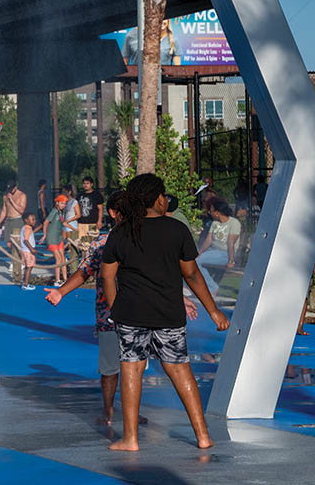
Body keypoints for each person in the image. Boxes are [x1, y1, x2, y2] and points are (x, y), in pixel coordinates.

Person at [100, 173, 229, 452]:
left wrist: (115, 308)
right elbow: (192, 275)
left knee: (131, 369)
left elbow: (108, 276)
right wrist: (214, 310)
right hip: (168, 314)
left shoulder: (121, 232)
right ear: (159, 199)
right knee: (181, 370)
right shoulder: (175, 230)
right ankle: (203, 436)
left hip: (131, 314)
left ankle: (131, 439)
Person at [47, 190, 199, 425]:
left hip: (139, 315)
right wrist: (61, 291)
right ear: (114, 213)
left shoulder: (140, 238)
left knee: (135, 367)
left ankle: (130, 413)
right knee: (111, 368)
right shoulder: (103, 242)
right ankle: (108, 410)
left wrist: (180, 297)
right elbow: (84, 271)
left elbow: (155, 275)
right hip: (112, 316)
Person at [196, 200, 242, 292]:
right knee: (188, 256)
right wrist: (199, 252)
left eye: (211, 211)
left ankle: (212, 288)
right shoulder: (214, 223)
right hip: (212, 251)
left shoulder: (234, 223)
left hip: (225, 254)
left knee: (196, 261)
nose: (210, 213)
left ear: (217, 213)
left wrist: (231, 261)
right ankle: (188, 286)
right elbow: (208, 240)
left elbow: (230, 243)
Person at [43, 194, 69, 287]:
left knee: (63, 258)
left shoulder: (61, 212)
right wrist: (45, 235)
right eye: (62, 203)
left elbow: (62, 223)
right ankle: (57, 280)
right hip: (52, 238)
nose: (63, 205)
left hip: (59, 238)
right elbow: (46, 222)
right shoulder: (54, 211)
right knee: (58, 258)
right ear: (57, 203)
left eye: (65, 203)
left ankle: (65, 279)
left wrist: (73, 229)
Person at [19, 213, 38, 291]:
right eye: (32, 219)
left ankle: (25, 282)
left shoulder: (26, 228)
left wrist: (41, 226)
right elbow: (26, 240)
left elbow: (31, 233)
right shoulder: (27, 228)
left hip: (25, 250)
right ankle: (26, 284)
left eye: (35, 219)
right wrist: (32, 249)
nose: (34, 221)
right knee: (29, 267)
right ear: (26, 220)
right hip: (28, 251)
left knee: (28, 267)